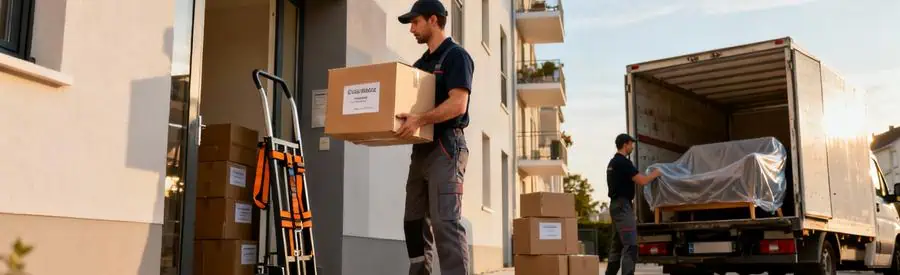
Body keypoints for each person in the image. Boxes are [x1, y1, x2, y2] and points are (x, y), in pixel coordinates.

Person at [396, 1, 475, 274]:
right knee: (414, 221)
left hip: (447, 146)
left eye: (415, 22)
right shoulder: (420, 65)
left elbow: (458, 104)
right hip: (421, 149)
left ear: (433, 20)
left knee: (445, 222)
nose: (411, 29)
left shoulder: (456, 57)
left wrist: (420, 119)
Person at [605, 134, 661, 275]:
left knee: (617, 246)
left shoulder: (612, 162)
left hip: (615, 206)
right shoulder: (623, 163)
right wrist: (656, 174)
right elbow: (642, 180)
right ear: (625, 144)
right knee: (630, 246)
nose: (632, 147)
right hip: (623, 206)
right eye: (631, 144)